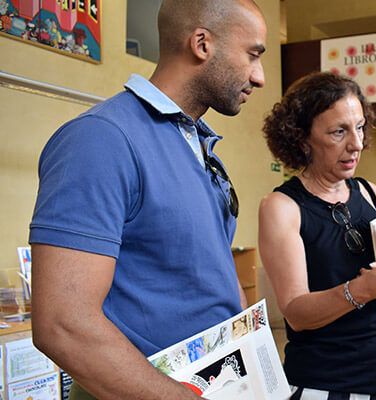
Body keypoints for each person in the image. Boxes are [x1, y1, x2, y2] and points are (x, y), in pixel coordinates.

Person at [28, 1, 267, 399]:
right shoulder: (101, 140)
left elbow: (213, 276)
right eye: (253, 55)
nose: (259, 77)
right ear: (202, 44)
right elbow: (63, 324)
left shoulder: (196, 144)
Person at [260, 72, 376, 399]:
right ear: (302, 138)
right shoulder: (282, 207)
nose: (357, 143)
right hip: (329, 385)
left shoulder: (370, 192)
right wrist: (365, 288)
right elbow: (296, 312)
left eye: (360, 127)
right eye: (339, 131)